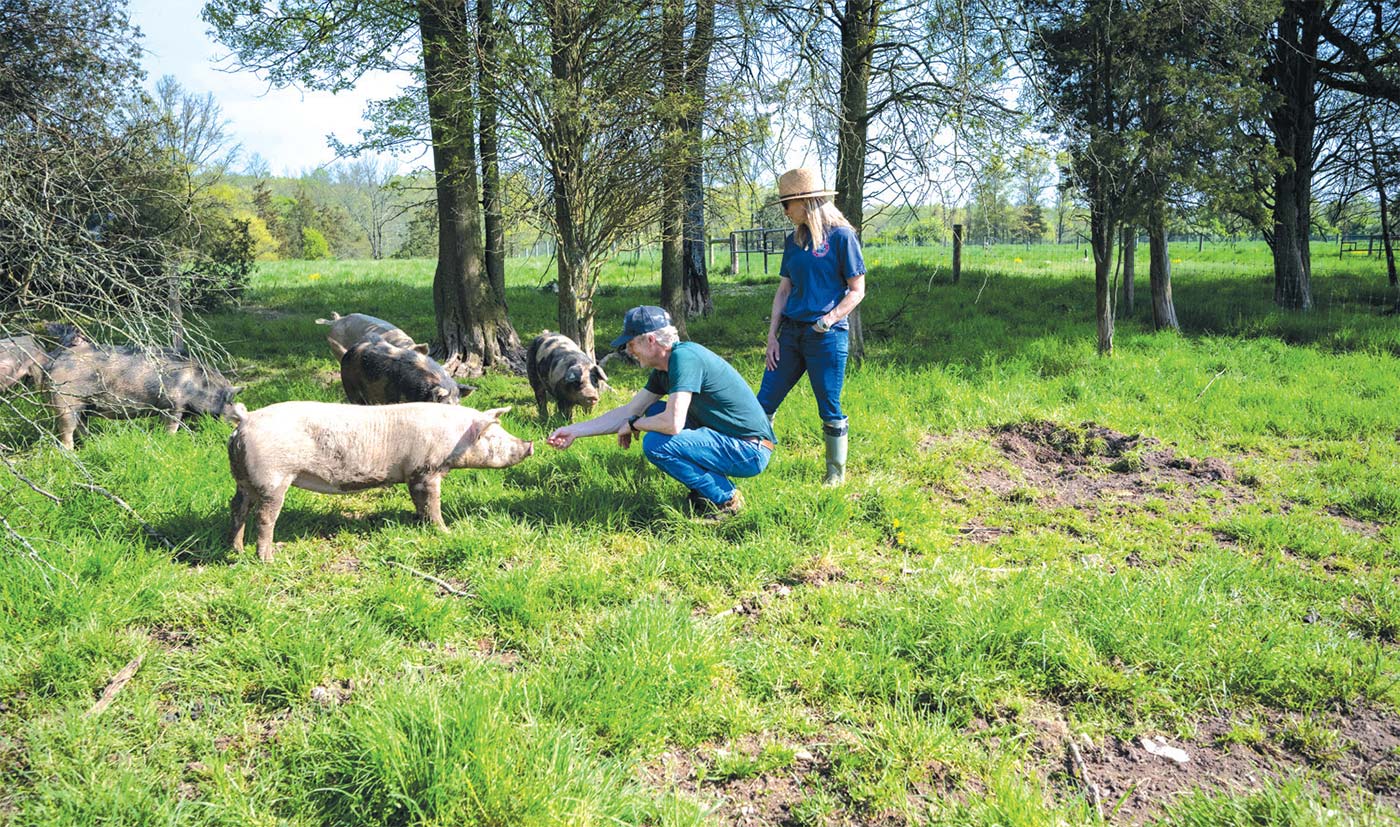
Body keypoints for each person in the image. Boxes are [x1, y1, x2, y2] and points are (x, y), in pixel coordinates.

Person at [545, 306, 776, 518]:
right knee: (652, 410)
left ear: (650, 340)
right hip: (733, 441)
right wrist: (574, 431)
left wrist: (635, 424)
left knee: (657, 443)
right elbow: (629, 411)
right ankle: (707, 490)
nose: (628, 350)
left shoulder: (685, 359)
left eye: (631, 343)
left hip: (750, 450)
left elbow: (673, 424)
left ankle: (727, 499)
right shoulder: (665, 368)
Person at [758, 167, 867, 485]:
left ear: (804, 202)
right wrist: (772, 337)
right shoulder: (793, 241)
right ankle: (756, 458)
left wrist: (828, 320)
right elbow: (783, 290)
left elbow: (857, 290)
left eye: (786, 204)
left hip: (827, 337)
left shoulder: (842, 237)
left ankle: (835, 474)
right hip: (790, 334)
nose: (784, 211)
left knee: (828, 405)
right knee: (764, 401)